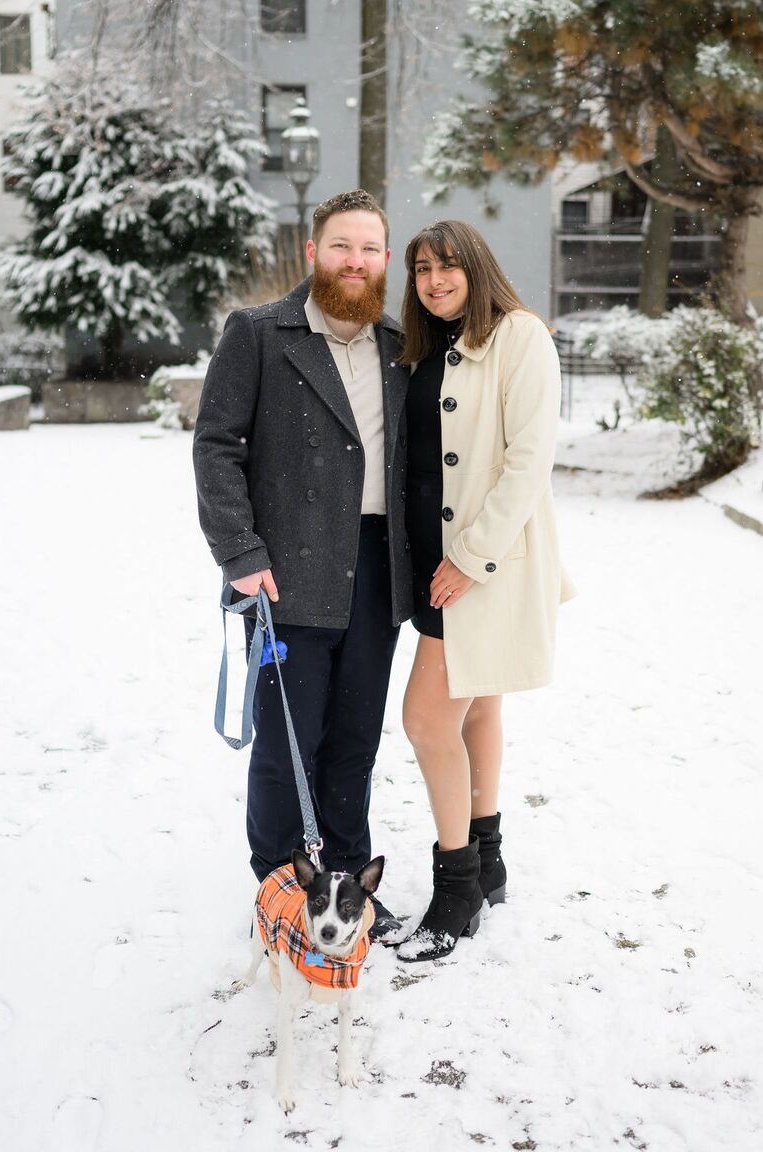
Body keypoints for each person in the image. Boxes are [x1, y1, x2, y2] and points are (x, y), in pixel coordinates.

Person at [193, 189, 413, 940]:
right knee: (291, 745)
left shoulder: (398, 344)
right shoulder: (258, 333)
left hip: (378, 573)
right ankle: (283, 887)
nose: (356, 261)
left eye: (370, 249)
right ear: (313, 252)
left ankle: (349, 886)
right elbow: (217, 447)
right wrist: (241, 553)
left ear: (386, 260)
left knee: (355, 741)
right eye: (342, 246)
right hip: (284, 573)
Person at [396, 220, 574, 963]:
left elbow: (530, 459)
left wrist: (469, 558)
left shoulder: (519, 335)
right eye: (421, 270)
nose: (434, 281)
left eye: (447, 268)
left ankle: (456, 884)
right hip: (436, 560)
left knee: (425, 721)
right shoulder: (425, 348)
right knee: (477, 708)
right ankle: (489, 853)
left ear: (476, 267)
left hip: (480, 565)